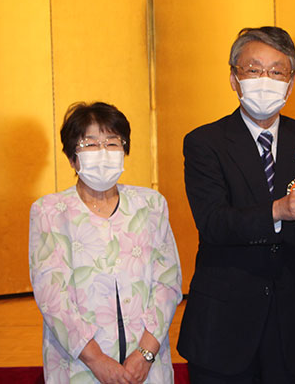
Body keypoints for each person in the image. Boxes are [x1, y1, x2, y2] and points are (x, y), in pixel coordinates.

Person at [178, 26, 295, 384]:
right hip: (224, 325)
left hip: (292, 324)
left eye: (276, 71)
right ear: (234, 79)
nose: (265, 80)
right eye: (253, 70)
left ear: (291, 82)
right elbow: (213, 222)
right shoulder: (205, 142)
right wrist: (278, 210)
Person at [29, 102, 182, 384]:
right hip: (81, 366)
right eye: (89, 144)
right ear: (72, 157)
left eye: (112, 143)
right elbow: (52, 296)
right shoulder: (49, 211)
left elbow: (168, 283)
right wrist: (96, 360)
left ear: (124, 150)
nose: (102, 152)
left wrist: (146, 353)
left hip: (145, 366)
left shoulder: (150, 205)